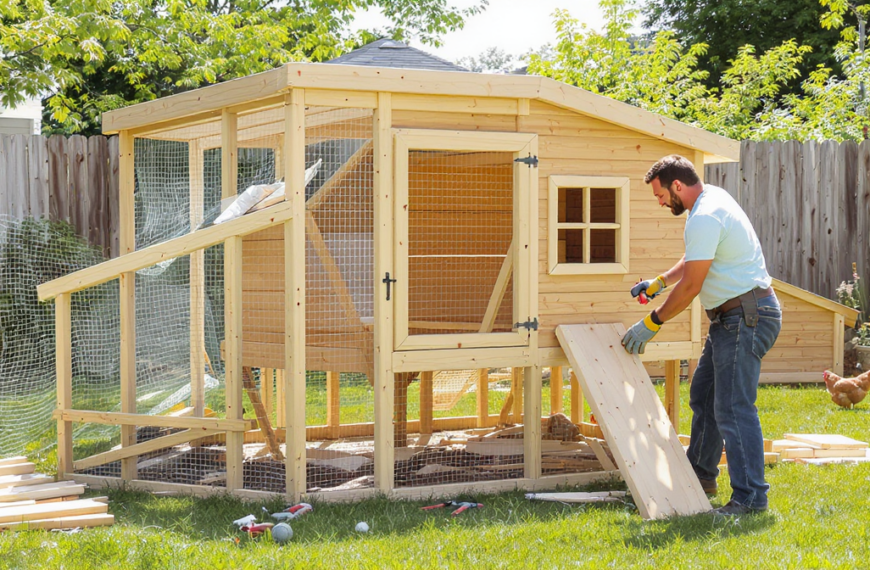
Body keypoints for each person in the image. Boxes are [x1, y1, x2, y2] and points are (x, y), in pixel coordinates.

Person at [621, 155, 782, 516]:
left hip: (745, 316)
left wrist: (652, 323)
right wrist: (660, 282)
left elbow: (693, 284)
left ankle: (751, 499)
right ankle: (701, 476)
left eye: (661, 195)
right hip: (735, 316)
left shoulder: (706, 215)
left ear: (677, 186)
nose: (660, 202)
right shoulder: (709, 202)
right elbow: (696, 260)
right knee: (705, 394)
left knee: (733, 407)